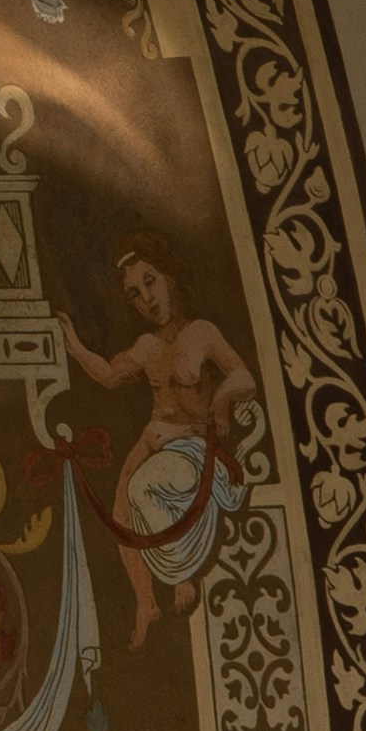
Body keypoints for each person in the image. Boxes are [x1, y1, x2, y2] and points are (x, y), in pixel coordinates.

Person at [66, 239, 247, 644]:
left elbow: (244, 378)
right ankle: (146, 602)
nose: (146, 298)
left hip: (194, 443)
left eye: (150, 282)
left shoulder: (202, 333)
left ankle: (182, 577)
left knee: (142, 488)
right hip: (155, 441)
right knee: (120, 515)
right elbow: (110, 375)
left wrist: (220, 400)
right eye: (135, 294)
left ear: (170, 277)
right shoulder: (148, 347)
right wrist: (75, 346)